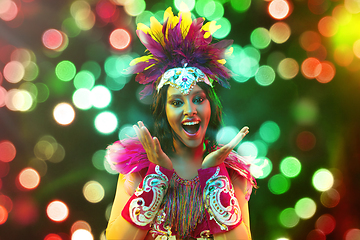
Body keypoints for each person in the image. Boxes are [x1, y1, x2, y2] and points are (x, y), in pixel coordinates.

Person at [105, 6, 257, 240]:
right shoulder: (137, 168)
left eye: (198, 99)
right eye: (177, 102)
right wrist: (157, 175)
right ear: (163, 111)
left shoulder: (232, 173)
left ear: (211, 106)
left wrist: (214, 175)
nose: (189, 111)